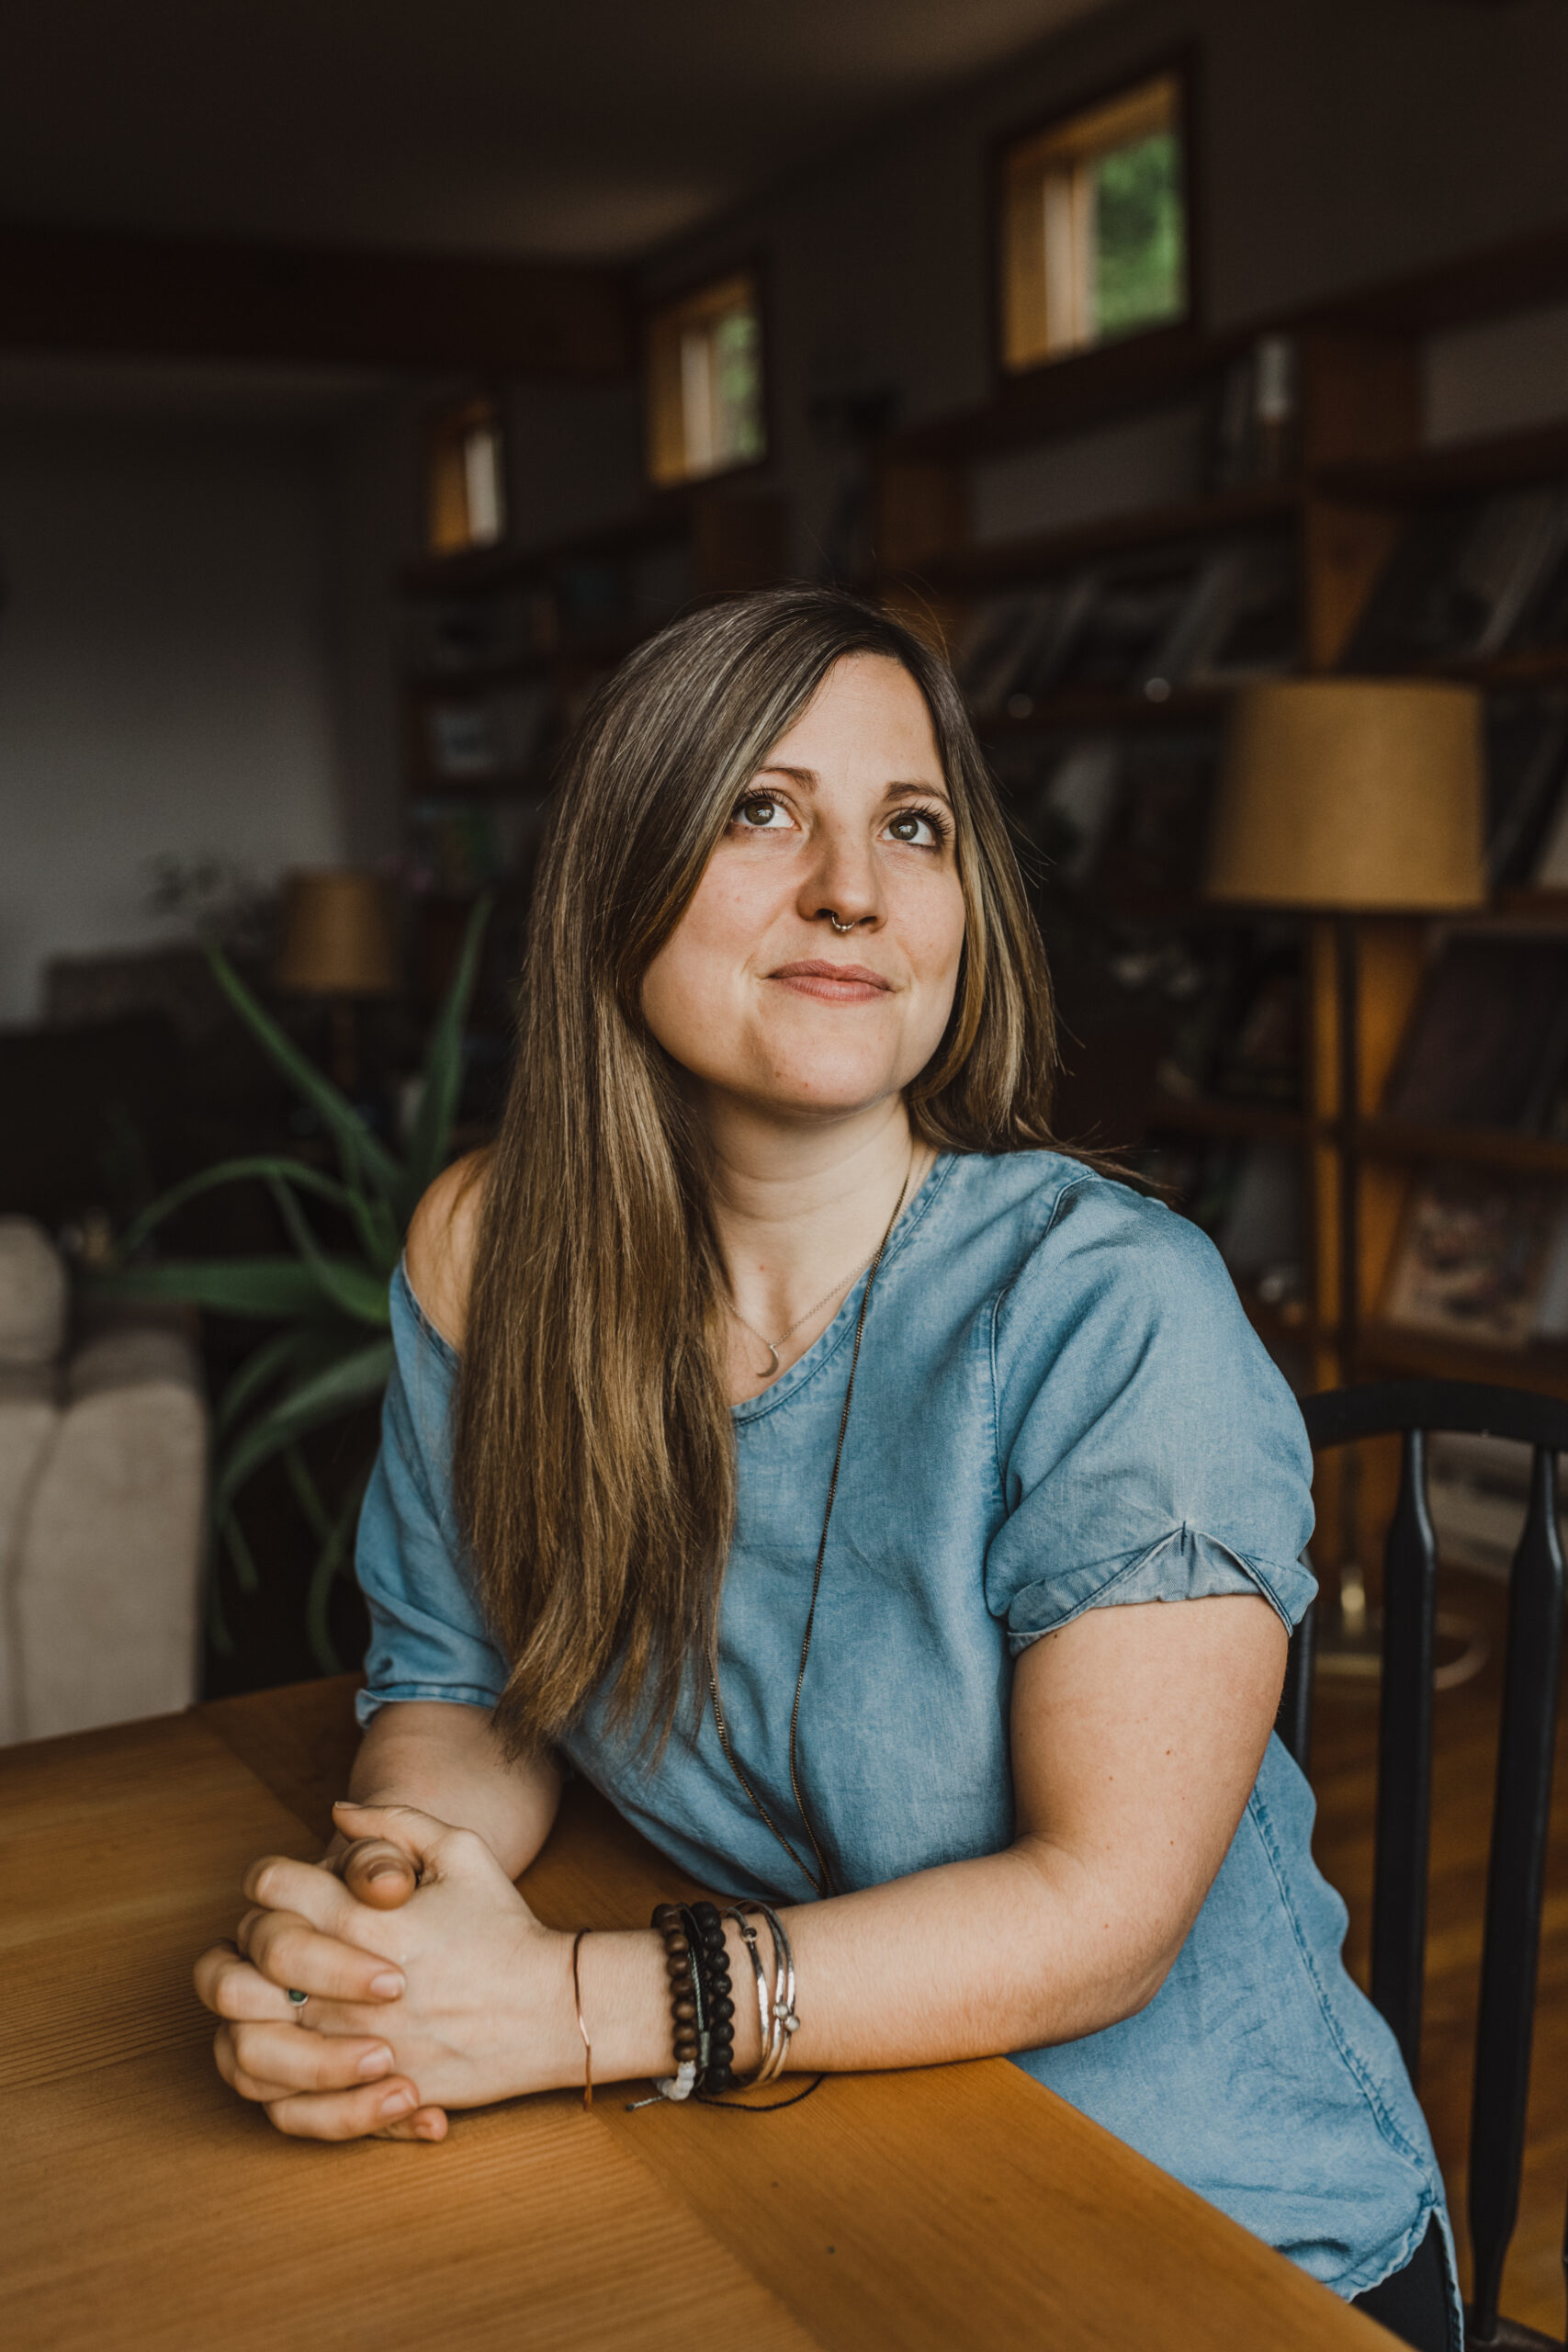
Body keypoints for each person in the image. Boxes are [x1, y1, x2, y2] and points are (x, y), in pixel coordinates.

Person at [195, 588, 1459, 2351]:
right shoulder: (495, 1252)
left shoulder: (1111, 1309)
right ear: (620, 875)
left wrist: (561, 2007)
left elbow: (1101, 1917)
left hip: (1220, 2242)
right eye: (761, 808)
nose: (852, 886)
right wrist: (396, 1942)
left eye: (912, 824)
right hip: (820, 2165)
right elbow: (464, 1677)